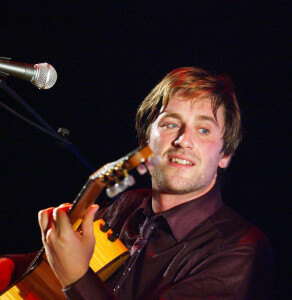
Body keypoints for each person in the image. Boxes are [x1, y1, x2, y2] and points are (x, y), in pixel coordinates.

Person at [0, 67, 273, 299]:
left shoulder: (241, 249)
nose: (183, 140)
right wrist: (11, 265)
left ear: (225, 154)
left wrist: (77, 278)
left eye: (203, 130)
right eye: (170, 124)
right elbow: (51, 267)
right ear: (145, 143)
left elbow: (71, 269)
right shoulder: (128, 204)